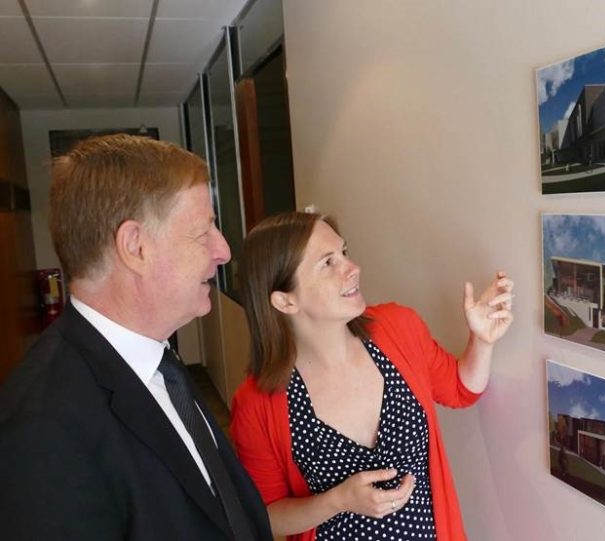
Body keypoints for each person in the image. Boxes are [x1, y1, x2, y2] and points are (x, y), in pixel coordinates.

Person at [0, 134, 272, 540]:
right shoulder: (42, 429)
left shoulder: (159, 360)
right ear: (135, 246)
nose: (224, 251)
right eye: (204, 233)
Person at [230, 212, 514, 541]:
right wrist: (336, 501)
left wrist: (482, 339)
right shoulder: (256, 403)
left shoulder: (398, 328)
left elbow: (460, 389)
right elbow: (266, 516)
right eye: (327, 263)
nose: (352, 268)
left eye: (344, 253)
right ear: (285, 300)